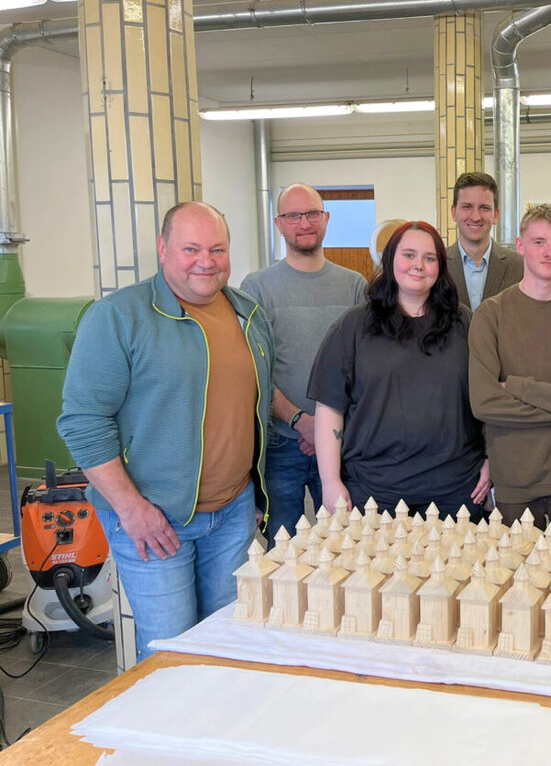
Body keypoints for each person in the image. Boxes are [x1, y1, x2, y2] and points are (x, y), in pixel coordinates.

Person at [58, 202, 274, 661]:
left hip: (232, 516)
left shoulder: (247, 315)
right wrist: (131, 509)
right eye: (190, 248)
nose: (206, 261)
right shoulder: (118, 317)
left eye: (217, 249)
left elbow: (253, 409)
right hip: (154, 521)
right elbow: (82, 420)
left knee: (226, 647)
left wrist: (254, 492)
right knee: (170, 657)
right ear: (162, 249)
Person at [309, 221, 490, 519]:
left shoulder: (464, 324)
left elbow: (490, 397)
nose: (418, 265)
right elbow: (329, 406)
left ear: (440, 266)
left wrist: (491, 460)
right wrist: (330, 482)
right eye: (408, 255)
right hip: (374, 492)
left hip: (455, 489)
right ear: (390, 258)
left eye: (429, 258)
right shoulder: (354, 326)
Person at [241, 183, 366, 542]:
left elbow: (364, 369)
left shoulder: (354, 286)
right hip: (282, 445)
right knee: (284, 554)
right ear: (279, 224)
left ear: (326, 219)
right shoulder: (257, 288)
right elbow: (255, 370)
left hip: (345, 443)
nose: (304, 223)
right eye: (293, 215)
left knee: (349, 545)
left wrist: (326, 429)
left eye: (312, 213)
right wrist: (299, 421)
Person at [468, 203, 551, 532]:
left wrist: (516, 387)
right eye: (539, 241)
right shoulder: (490, 316)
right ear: (520, 246)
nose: (549, 252)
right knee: (515, 583)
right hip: (514, 482)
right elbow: (484, 402)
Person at [445, 171, 524, 311]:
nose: (475, 217)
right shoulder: (437, 265)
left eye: (484, 208)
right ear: (453, 213)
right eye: (467, 207)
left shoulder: (519, 266)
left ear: (496, 215)